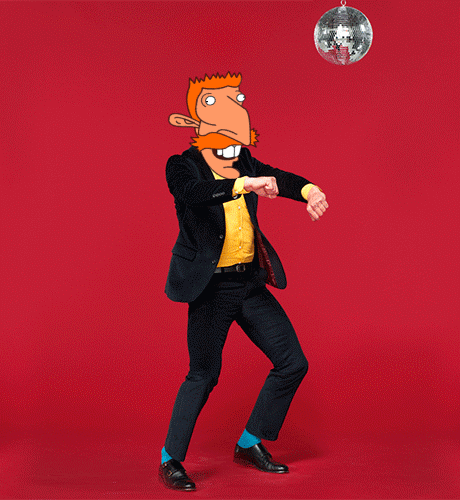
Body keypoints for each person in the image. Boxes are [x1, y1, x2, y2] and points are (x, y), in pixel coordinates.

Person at [160, 72, 328, 491]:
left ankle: (250, 442)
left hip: (249, 285)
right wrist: (241, 184)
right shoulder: (181, 166)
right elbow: (194, 193)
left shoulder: (245, 161)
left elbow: (279, 178)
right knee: (203, 374)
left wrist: (309, 191)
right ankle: (170, 459)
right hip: (209, 289)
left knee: (293, 362)